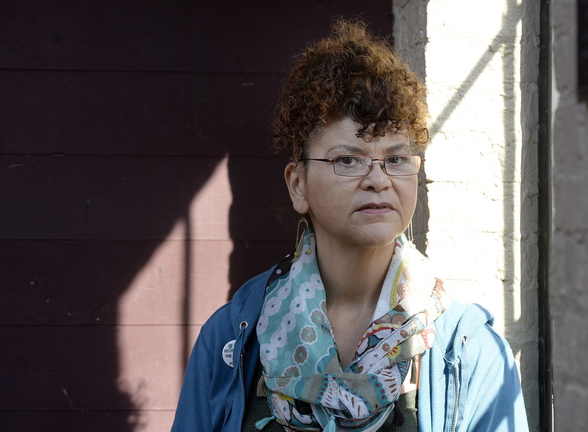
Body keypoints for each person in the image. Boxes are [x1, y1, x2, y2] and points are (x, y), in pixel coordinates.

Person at [171, 19, 529, 432]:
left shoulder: (468, 354)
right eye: (349, 159)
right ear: (298, 184)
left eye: (396, 158)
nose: (379, 179)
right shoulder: (230, 343)